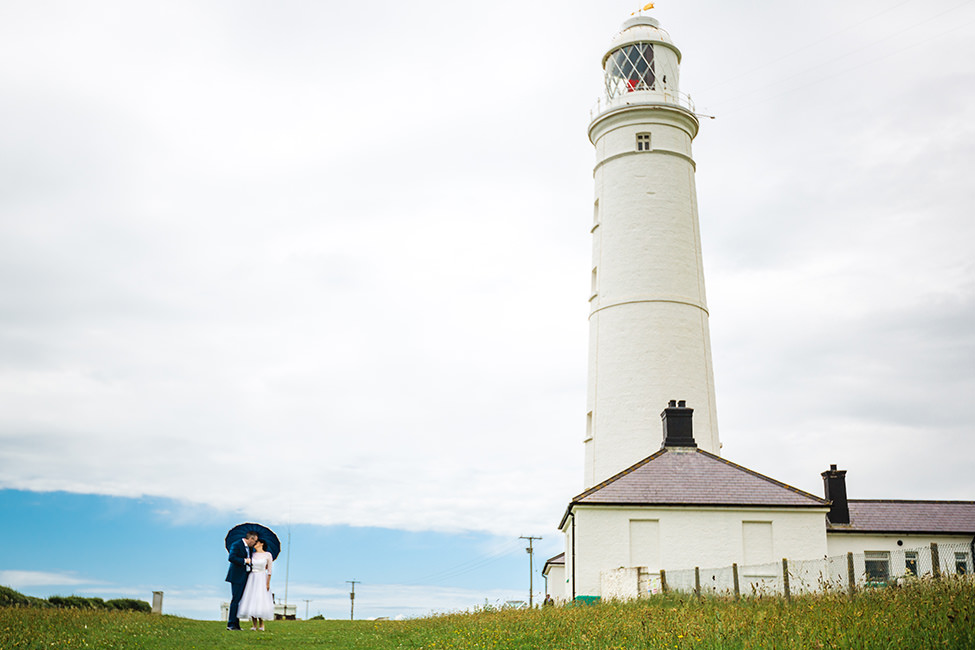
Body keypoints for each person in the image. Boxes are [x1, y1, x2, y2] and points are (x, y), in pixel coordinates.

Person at [237, 538, 274, 631]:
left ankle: (262, 624)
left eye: (256, 542)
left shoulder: (268, 555)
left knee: (260, 599)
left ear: (261, 543)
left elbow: (269, 571)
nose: (254, 544)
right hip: (252, 577)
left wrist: (267, 583)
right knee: (251, 599)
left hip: (261, 577)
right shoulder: (252, 554)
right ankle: (254, 625)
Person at [226, 531, 259, 630]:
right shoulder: (236, 545)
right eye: (255, 541)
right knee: (235, 600)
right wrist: (245, 561)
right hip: (236, 576)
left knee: (240, 600)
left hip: (245, 576)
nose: (255, 543)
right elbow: (231, 558)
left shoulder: (250, 549)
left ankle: (236, 624)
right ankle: (231, 624)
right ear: (251, 539)